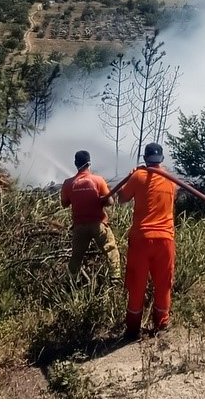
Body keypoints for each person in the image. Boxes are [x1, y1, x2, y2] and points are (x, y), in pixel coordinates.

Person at [118, 142, 177, 339]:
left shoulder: (138, 176)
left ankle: (133, 329)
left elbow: (122, 199)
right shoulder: (171, 180)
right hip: (165, 240)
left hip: (141, 239)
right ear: (161, 159)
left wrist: (131, 176)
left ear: (145, 159)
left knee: (136, 284)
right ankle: (162, 325)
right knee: (163, 283)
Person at [60, 150, 122, 283]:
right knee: (110, 249)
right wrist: (102, 199)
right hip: (98, 224)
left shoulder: (68, 183)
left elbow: (64, 203)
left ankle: (71, 281)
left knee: (76, 256)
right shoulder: (98, 180)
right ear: (89, 163)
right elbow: (110, 202)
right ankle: (115, 277)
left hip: (79, 227)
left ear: (75, 163)